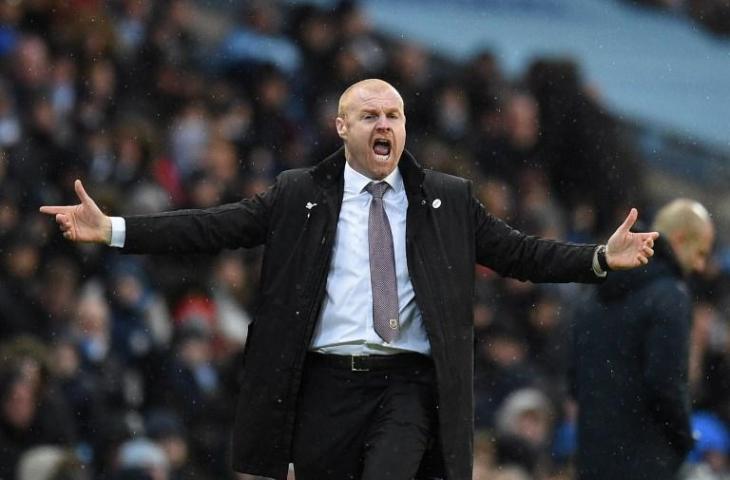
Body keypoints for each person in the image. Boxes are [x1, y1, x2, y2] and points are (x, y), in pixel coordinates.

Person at [40, 79, 658, 480]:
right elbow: (210, 228)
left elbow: (521, 254)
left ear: (405, 128)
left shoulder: (446, 199)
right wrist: (115, 230)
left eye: (394, 114)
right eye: (369, 115)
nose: (384, 124)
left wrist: (597, 258)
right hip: (323, 387)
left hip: (408, 385)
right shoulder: (297, 195)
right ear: (342, 128)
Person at [570, 198, 714, 480]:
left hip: (592, 456)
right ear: (680, 239)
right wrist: (684, 439)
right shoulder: (670, 296)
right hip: (646, 461)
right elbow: (665, 383)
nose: (699, 266)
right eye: (699, 253)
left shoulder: (597, 288)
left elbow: (574, 377)